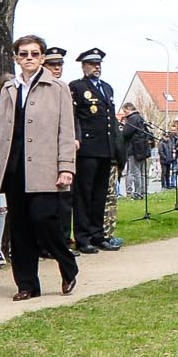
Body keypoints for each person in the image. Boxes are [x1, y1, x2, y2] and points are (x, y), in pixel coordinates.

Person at [0, 35, 78, 299]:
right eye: (23, 54)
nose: (29, 58)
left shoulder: (58, 88)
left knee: (44, 219)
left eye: (34, 54)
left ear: (42, 58)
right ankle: (27, 285)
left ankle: (67, 265)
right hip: (15, 166)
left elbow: (66, 130)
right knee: (20, 228)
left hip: (44, 166)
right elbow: (1, 133)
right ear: (16, 58)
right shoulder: (9, 89)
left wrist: (66, 167)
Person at [69, 47, 122, 252]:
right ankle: (83, 238)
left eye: (98, 64)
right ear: (83, 66)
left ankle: (98, 234)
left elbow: (110, 120)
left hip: (105, 149)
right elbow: (75, 117)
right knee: (84, 195)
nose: (96, 67)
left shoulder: (107, 88)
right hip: (87, 150)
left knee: (100, 195)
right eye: (92, 64)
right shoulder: (77, 87)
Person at [120, 104, 154, 199]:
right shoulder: (140, 117)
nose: (124, 113)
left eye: (125, 111)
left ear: (129, 109)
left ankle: (136, 193)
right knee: (142, 172)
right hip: (143, 148)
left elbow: (125, 133)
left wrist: (122, 129)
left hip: (134, 149)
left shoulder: (132, 119)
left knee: (134, 172)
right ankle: (143, 191)